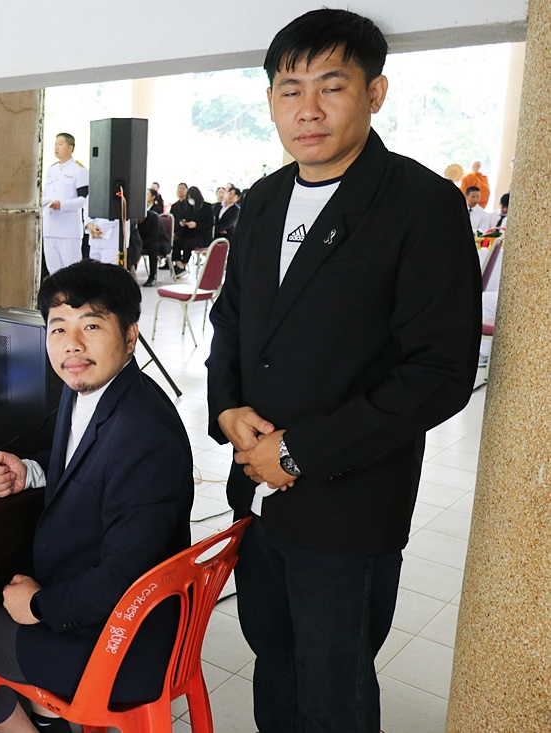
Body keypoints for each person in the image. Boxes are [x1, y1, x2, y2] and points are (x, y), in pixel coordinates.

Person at [205, 9, 481, 732]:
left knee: (334, 685)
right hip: (256, 492)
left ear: (375, 93)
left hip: (348, 506)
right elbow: (232, 319)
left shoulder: (420, 205)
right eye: (290, 90)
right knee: (273, 657)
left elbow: (440, 371)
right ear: (270, 100)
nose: (309, 109)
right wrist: (227, 409)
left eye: (332, 86)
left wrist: (297, 450)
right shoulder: (264, 200)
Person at [0, 260, 193, 733]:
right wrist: (31, 470)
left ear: (130, 336)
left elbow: (124, 577)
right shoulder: (96, 388)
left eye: (91, 325)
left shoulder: (145, 434)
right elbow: (86, 458)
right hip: (98, 613)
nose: (72, 344)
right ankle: (48, 720)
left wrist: (39, 607)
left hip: (114, 645)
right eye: (59, 327)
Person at [42, 133, 89, 274]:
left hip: (68, 230)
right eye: (55, 144)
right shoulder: (51, 170)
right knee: (54, 273)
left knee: (72, 273)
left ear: (70, 148)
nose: (56, 147)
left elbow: (84, 199)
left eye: (60, 144)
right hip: (50, 229)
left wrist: (62, 205)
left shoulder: (79, 170)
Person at [172, 186, 214, 275]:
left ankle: (184, 264)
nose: (190, 200)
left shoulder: (207, 207)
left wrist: (196, 225)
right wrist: (183, 223)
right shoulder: (188, 208)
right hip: (188, 233)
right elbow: (185, 219)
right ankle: (179, 263)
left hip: (202, 236)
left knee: (188, 244)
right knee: (176, 241)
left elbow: (209, 224)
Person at [136, 188, 170, 286]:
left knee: (153, 246)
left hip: (160, 243)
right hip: (144, 242)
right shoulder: (134, 221)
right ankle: (130, 270)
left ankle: (152, 276)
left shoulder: (153, 217)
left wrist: (140, 244)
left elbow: (154, 237)